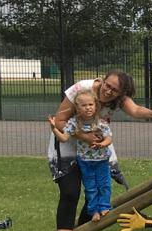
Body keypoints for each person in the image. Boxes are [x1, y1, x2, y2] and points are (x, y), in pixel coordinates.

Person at [48, 70, 152, 231]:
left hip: (96, 151)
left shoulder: (117, 100)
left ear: (121, 94)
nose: (108, 90)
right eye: (107, 85)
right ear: (102, 80)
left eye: (115, 90)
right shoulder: (81, 89)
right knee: (70, 193)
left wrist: (151, 114)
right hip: (68, 146)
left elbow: (136, 110)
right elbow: (59, 120)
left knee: (97, 195)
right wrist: (84, 136)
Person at [47, 89, 113, 223]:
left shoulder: (100, 122)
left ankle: (104, 207)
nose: (88, 108)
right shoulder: (74, 123)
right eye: (84, 105)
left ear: (95, 106)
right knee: (90, 187)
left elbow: (109, 139)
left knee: (104, 184)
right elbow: (64, 138)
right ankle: (94, 211)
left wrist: (102, 144)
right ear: (77, 108)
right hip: (85, 162)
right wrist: (54, 129)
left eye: (90, 104)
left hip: (101, 160)